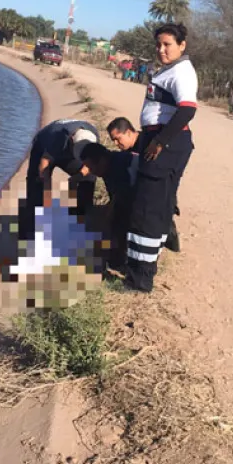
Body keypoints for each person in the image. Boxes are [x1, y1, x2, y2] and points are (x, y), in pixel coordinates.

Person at [125, 22, 197, 292]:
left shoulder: (182, 72)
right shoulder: (169, 69)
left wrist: (159, 142)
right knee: (157, 203)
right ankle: (161, 242)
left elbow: (187, 110)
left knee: (147, 209)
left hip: (166, 142)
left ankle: (139, 281)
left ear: (182, 45)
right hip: (158, 139)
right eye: (158, 44)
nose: (161, 49)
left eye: (167, 44)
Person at [106, 116, 181, 253]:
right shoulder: (128, 150)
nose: (116, 143)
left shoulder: (147, 145)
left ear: (129, 132)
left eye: (118, 138)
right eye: (113, 140)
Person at [19, 119, 99, 240]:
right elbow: (44, 163)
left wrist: (76, 178)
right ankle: (31, 231)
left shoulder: (93, 135)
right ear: (72, 140)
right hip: (43, 146)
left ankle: (80, 220)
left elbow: (91, 165)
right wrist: (45, 189)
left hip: (69, 152)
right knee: (36, 188)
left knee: (89, 178)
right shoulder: (57, 137)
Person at [80, 142, 138, 271]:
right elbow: (115, 196)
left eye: (91, 167)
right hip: (132, 196)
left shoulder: (120, 166)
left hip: (149, 198)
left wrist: (107, 217)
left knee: (117, 219)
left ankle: (119, 261)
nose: (91, 172)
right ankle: (114, 257)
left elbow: (122, 199)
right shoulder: (108, 166)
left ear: (101, 160)